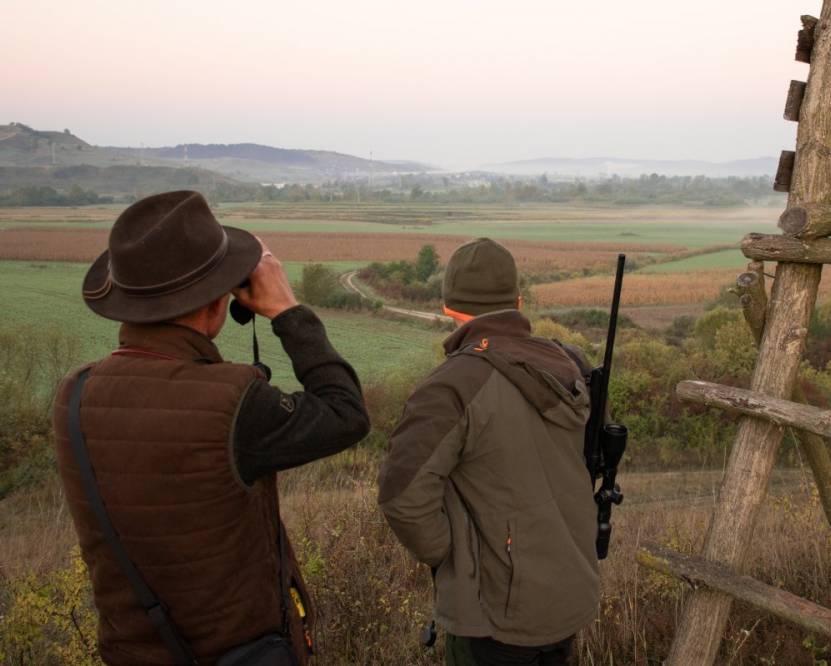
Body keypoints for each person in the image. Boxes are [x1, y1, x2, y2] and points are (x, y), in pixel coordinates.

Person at [51, 190, 370, 665]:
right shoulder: (234, 403)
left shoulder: (73, 395)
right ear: (216, 302)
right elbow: (346, 413)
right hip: (241, 653)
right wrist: (286, 310)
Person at [378, 237, 599, 666]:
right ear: (517, 301)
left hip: (494, 617)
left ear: (447, 307)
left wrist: (455, 556)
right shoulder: (568, 363)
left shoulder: (451, 386)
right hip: (568, 593)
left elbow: (401, 498)